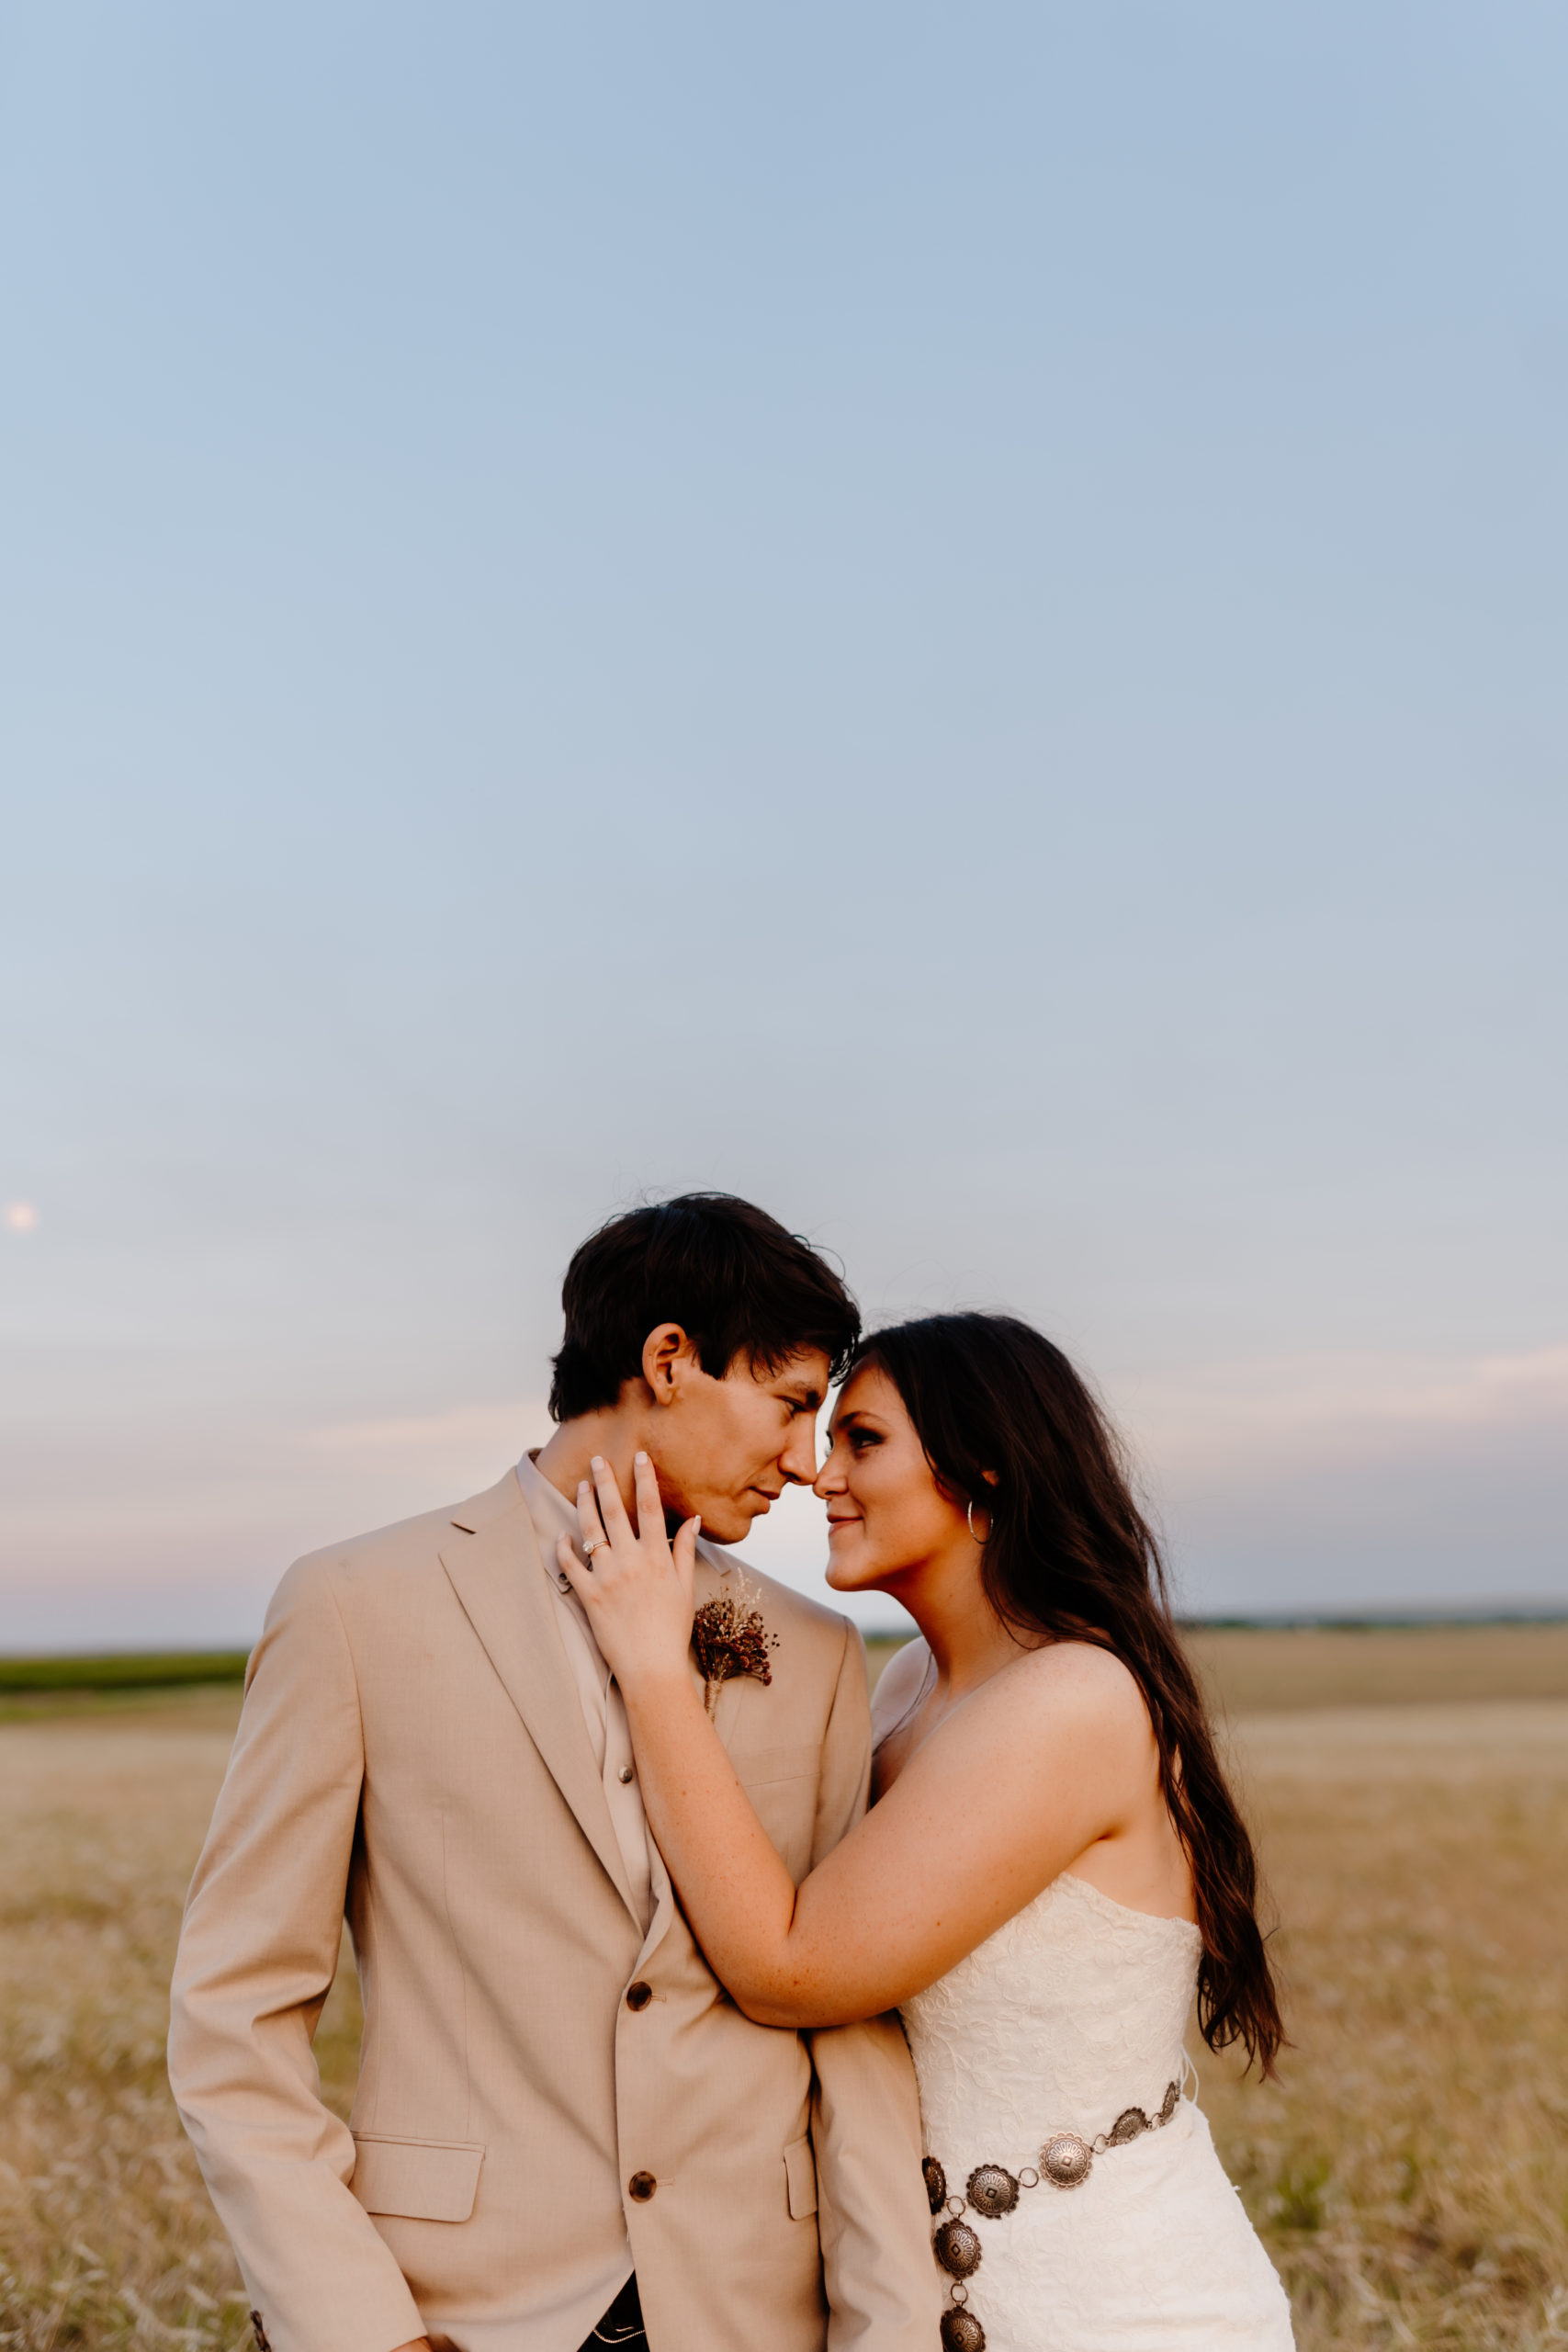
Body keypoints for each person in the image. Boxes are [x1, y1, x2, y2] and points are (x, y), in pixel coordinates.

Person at [167, 1195, 940, 2352]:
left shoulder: (819, 1652)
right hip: (456, 2311)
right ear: (668, 1360)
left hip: (748, 2312)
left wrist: (892, 2326)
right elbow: (235, 2014)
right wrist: (354, 2329)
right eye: (786, 1404)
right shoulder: (353, 1606)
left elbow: (850, 2026)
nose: (801, 1459)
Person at [561, 1310, 1296, 2352]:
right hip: (934, 2298)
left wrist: (650, 1669)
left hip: (1116, 2308)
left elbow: (791, 1965)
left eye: (863, 1439)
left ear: (983, 1472)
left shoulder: (1072, 1699)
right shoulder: (913, 1682)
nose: (821, 1475)